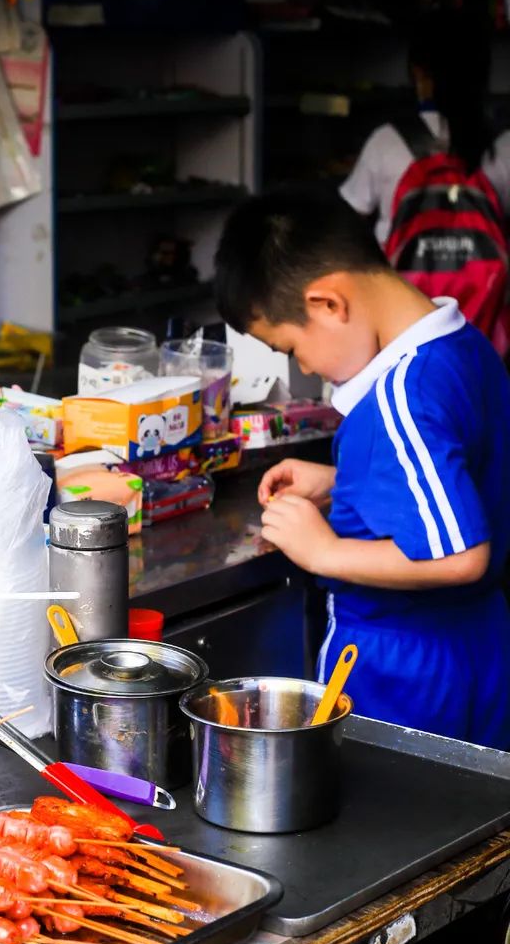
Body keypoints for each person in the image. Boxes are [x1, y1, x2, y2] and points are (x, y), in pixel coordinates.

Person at [214, 183, 510, 748]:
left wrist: (323, 550)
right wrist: (345, 485)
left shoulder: (400, 396)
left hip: (407, 675)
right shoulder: (464, 346)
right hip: (482, 645)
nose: (303, 368)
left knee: (390, 804)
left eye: (290, 349)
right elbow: (460, 474)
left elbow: (460, 555)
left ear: (328, 304)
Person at [340, 8, 510, 245]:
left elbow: (346, 224)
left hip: (398, 271)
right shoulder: (504, 147)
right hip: (486, 271)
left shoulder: (386, 141)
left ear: (418, 71)